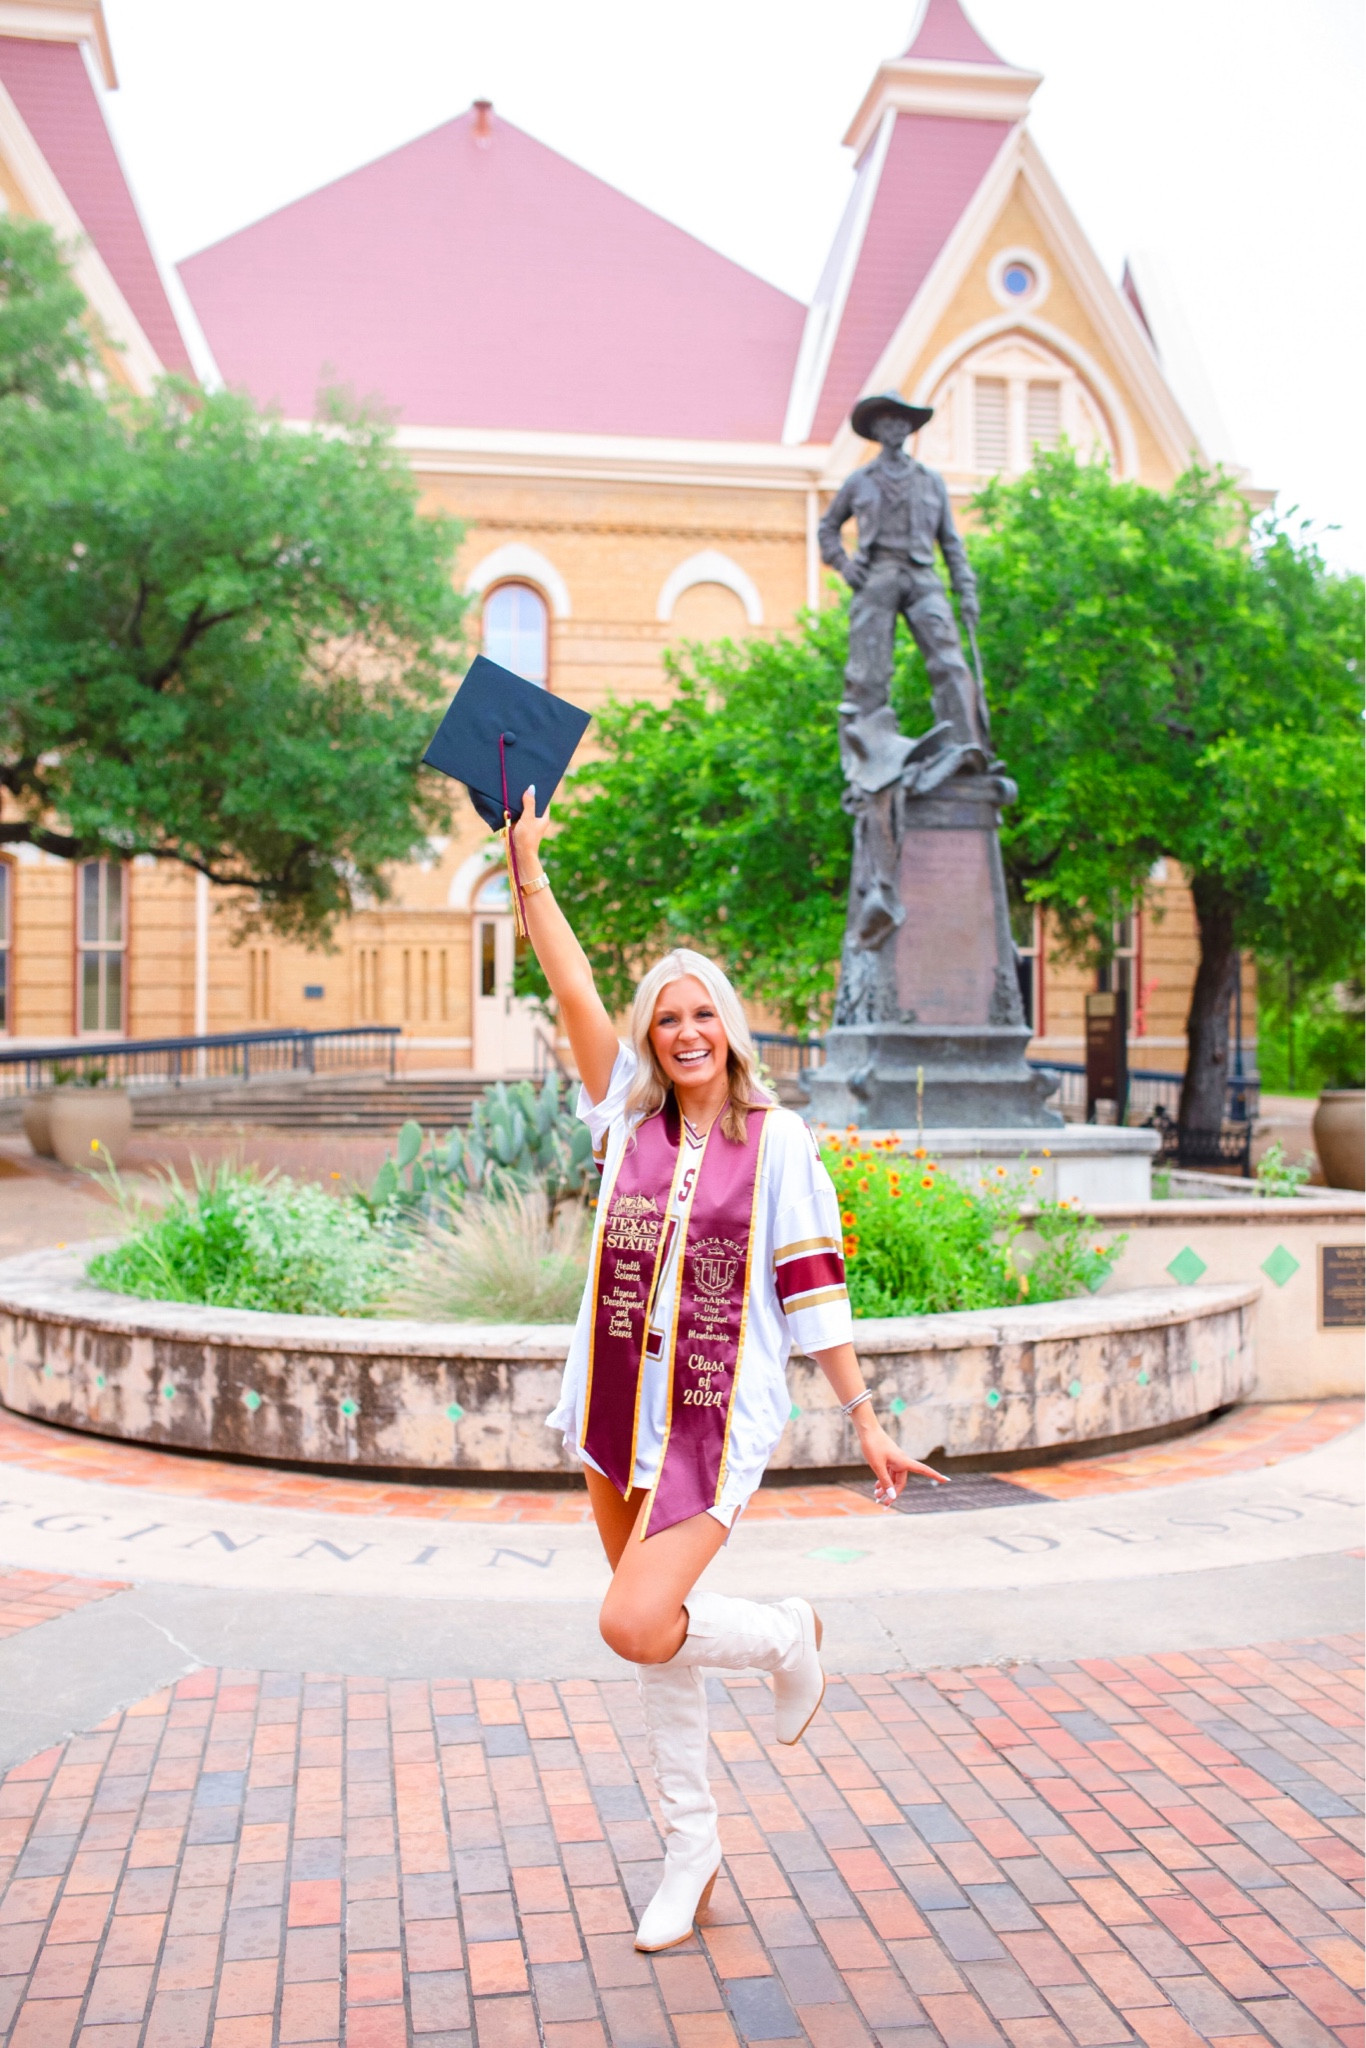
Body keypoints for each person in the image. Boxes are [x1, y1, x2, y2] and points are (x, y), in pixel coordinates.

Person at [510, 786, 945, 1954]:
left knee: (635, 1617)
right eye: (667, 1017)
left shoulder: (779, 1138)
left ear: (730, 1025)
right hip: (614, 1407)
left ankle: (786, 1634)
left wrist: (862, 1414)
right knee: (658, 1637)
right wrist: (528, 872)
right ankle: (688, 1848)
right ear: (651, 1036)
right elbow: (571, 988)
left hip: (708, 1426)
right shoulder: (626, 1121)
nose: (685, 1031)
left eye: (702, 1011)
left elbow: (812, 1285)